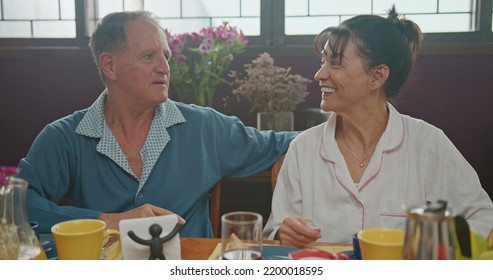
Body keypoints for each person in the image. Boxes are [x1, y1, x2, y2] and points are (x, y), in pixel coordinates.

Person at [18, 11, 297, 237]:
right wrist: (110, 221)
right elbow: (16, 205)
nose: (164, 67)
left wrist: (340, 120)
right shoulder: (64, 136)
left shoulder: (202, 126)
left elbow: (280, 143)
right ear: (109, 66)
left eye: (166, 56)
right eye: (148, 56)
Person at [263, 6, 493, 247]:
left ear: (377, 76)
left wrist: (428, 246)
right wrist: (283, 233)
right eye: (323, 61)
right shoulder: (303, 148)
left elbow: (483, 217)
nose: (320, 74)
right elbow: (276, 231)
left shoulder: (427, 143)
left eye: (336, 63)